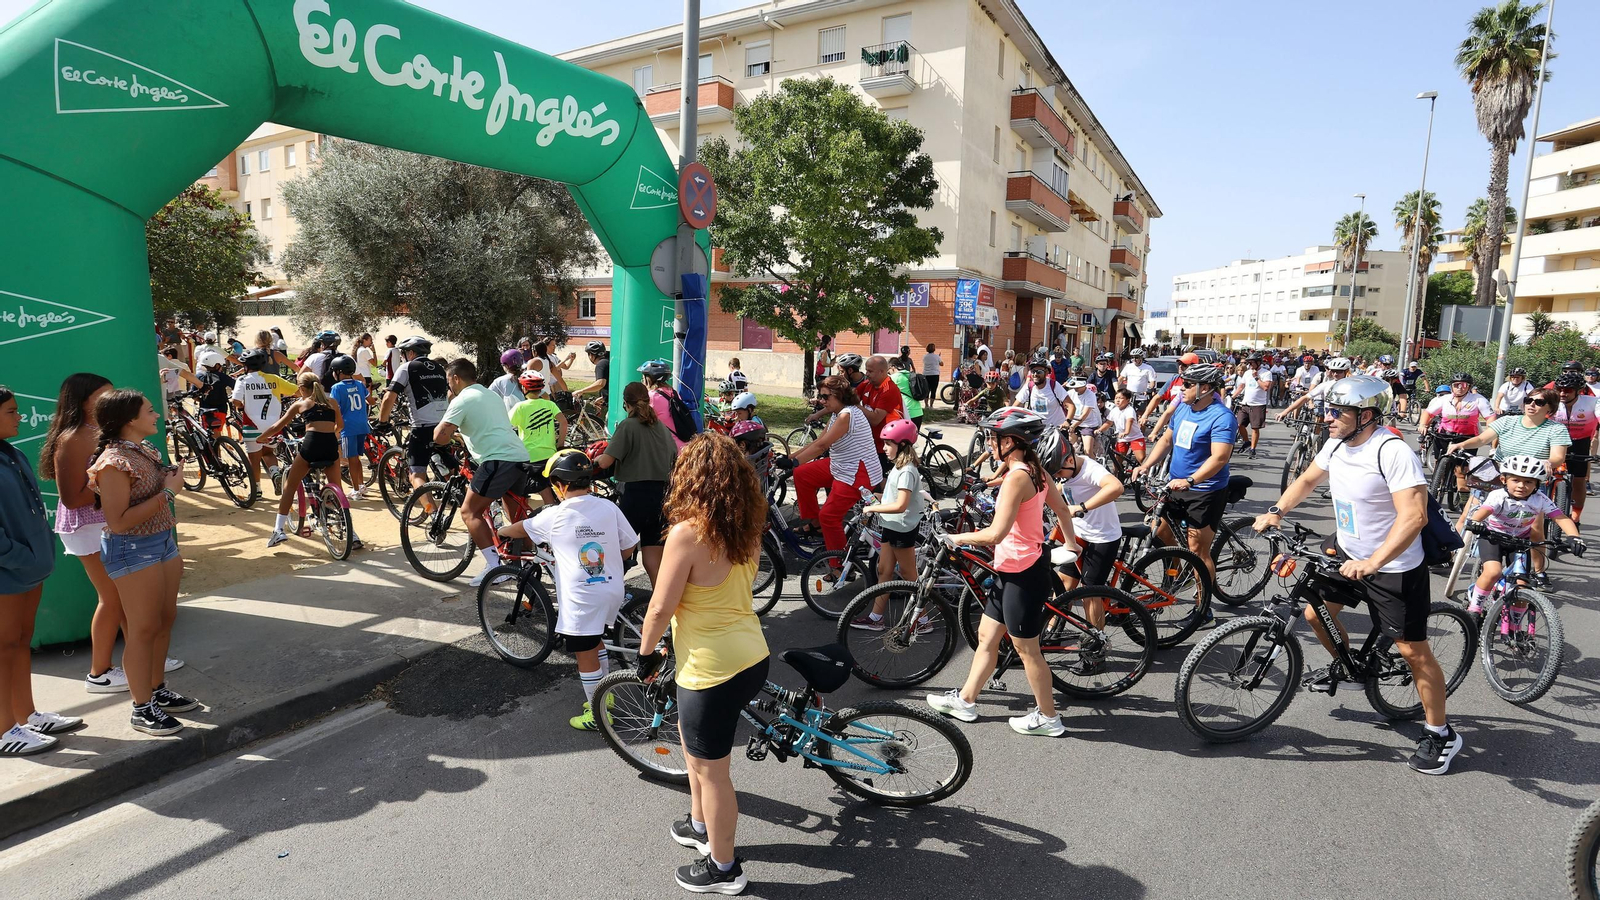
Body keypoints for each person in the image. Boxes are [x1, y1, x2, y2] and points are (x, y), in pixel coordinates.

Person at [1255, 375, 1461, 774]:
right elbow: (1308, 479)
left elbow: (1415, 517)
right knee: (1316, 612)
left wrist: (1375, 562)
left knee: (1413, 651)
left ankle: (1441, 733)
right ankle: (1348, 668)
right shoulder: (1336, 443)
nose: (1327, 417)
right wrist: (1277, 511)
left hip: (1394, 566)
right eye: (1327, 409)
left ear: (1365, 415)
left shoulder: (1392, 451)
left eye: (1336, 412)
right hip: (1349, 550)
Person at [634, 434, 770, 895]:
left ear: (689, 478)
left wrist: (645, 652)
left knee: (714, 772)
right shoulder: (748, 523)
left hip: (710, 670)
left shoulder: (687, 533)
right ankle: (698, 824)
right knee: (694, 748)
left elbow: (659, 608)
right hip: (751, 654)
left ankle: (724, 868)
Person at [926, 408, 1075, 737]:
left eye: (994, 438)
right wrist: (1072, 545)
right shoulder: (1033, 470)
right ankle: (966, 700)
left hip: (1023, 575)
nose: (990, 443)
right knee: (987, 637)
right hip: (1010, 569)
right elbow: (1062, 510)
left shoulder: (1020, 476)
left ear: (1012, 442)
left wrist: (957, 537)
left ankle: (1049, 718)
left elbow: (995, 533)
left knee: (1027, 650)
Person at [498, 450, 637, 730]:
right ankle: (605, 695)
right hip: (612, 590)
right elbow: (629, 545)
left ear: (560, 485)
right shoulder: (608, 507)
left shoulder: (555, 515)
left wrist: (500, 532)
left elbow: (521, 528)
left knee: (584, 655)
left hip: (581, 598)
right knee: (595, 641)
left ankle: (598, 715)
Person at [86, 390, 198, 737]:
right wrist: (168, 492)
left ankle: (156, 687)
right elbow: (118, 521)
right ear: (129, 420)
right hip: (133, 548)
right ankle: (141, 706)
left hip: (161, 541)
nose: (157, 416)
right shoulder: (113, 462)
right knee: (143, 628)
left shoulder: (142, 449)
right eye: (150, 411)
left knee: (165, 619)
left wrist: (169, 480)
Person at [41, 374, 148, 696]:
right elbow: (72, 498)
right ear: (83, 400)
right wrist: (117, 486)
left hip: (110, 523)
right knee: (112, 598)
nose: (110, 399)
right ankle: (99, 672)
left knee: (127, 597)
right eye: (103, 395)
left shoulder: (103, 432)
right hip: (86, 528)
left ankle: (139, 658)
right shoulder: (72, 438)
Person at [0, 386, 83, 755]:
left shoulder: (13, 453)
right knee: (3, 647)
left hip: (29, 569)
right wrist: (23, 557)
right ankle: (4, 730)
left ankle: (26, 715)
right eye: (11, 412)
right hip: (8, 572)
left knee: (20, 642)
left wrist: (36, 556)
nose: (19, 417)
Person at [1132, 362, 1236, 587]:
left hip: (1204, 489)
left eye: (1188, 385)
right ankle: (1175, 575)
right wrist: (1146, 465)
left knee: (1198, 550)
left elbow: (1219, 457)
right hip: (1174, 485)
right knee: (1158, 531)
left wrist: (1191, 480)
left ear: (1205, 388)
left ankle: (1203, 606)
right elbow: (1167, 440)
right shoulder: (1182, 409)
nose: (1182, 389)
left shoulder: (1222, 417)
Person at [434, 358, 534, 587]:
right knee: (515, 511)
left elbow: (439, 436)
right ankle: (527, 559)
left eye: (449, 381)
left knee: (470, 511)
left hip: (497, 459)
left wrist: (450, 411)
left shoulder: (462, 398)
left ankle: (495, 567)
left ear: (456, 379)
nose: (449, 385)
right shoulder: (490, 394)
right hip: (519, 455)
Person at [1463, 455, 1584, 614]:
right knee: (1493, 572)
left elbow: (1560, 517)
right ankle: (1475, 608)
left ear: (1537, 484)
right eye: (1516, 480)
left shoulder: (1540, 499)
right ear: (1504, 479)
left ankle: (1515, 628)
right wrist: (1476, 521)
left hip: (1520, 542)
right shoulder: (1498, 496)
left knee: (1522, 584)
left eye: (1528, 482)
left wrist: (1574, 537)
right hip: (1493, 537)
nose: (1522, 485)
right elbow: (1484, 511)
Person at [1038, 429, 1122, 641]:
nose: (1057, 476)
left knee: (1089, 594)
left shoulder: (1091, 469)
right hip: (1078, 536)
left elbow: (1116, 487)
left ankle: (1097, 646)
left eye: (1058, 472)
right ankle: (1050, 633)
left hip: (1102, 537)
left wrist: (1082, 507)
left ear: (1069, 459)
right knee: (1064, 585)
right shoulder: (1066, 472)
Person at [782, 375, 882, 553]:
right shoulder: (838, 413)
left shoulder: (847, 415)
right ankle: (815, 525)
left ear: (840, 395)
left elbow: (822, 446)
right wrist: (790, 458)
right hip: (842, 464)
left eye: (825, 397)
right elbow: (818, 441)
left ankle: (840, 567)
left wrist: (795, 461)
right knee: (802, 474)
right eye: (820, 396)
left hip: (858, 472)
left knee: (829, 516)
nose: (821, 401)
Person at [595, 382, 677, 585]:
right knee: (652, 557)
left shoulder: (628, 426)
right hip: (662, 496)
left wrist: (588, 462)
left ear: (626, 404)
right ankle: (664, 604)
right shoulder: (662, 428)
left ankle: (607, 595)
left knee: (618, 552)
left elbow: (605, 461)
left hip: (635, 496)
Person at [850, 419, 926, 632]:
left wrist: (873, 509)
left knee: (909, 574)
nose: (883, 448)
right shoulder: (899, 467)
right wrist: (877, 497)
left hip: (901, 527)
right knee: (884, 570)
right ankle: (876, 618)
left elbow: (901, 505)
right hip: (891, 525)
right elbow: (895, 497)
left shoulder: (907, 471)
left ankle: (923, 620)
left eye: (888, 444)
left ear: (902, 445)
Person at [259, 373, 351, 549]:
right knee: (337, 488)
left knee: (290, 487)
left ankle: (278, 530)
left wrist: (261, 438)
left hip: (311, 444)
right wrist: (329, 434)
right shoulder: (332, 403)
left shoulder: (300, 404)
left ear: (302, 388)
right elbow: (340, 426)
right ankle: (349, 532)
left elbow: (277, 426)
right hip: (330, 445)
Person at [379, 337, 453, 498]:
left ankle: (431, 512)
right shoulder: (440, 368)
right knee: (450, 467)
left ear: (411, 353)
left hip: (422, 427)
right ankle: (456, 493)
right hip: (444, 425)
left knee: (416, 475)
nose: (403, 356)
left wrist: (382, 422)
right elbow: (451, 394)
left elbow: (389, 397)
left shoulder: (407, 368)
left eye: (404, 353)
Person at [231, 348, 295, 492]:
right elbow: (296, 391)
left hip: (252, 426)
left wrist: (241, 405)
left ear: (245, 366)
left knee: (254, 459)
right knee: (268, 453)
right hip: (274, 426)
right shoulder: (274, 379)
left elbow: (235, 400)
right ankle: (275, 473)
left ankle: (257, 490)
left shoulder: (242, 379)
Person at [508, 371, 566, 507]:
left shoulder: (520, 407)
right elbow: (564, 423)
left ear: (524, 388)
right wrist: (560, 444)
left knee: (527, 486)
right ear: (541, 389)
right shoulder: (550, 404)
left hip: (529, 456)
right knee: (549, 484)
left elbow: (507, 426)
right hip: (550, 454)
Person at [1419, 373, 1493, 473]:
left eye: (1463, 385)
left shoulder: (1478, 399)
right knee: (1439, 463)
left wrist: (1489, 430)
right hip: (1444, 435)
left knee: (1462, 470)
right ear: (1451, 387)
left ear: (1469, 387)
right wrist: (1423, 425)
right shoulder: (1445, 399)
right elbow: (1428, 413)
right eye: (1456, 385)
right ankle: (1437, 485)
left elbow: (1490, 417)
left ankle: (1461, 488)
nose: (1460, 388)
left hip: (1467, 438)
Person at [1550, 372, 1597, 527]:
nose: (1562, 393)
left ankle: (1575, 516)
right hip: (1555, 441)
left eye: (1568, 390)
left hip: (1580, 442)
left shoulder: (1592, 403)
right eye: (1560, 389)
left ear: (1578, 391)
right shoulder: (1552, 401)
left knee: (1579, 481)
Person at [329, 355, 373, 505]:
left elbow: (334, 406)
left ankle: (355, 490)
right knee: (357, 458)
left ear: (339, 372)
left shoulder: (337, 388)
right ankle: (361, 485)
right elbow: (370, 400)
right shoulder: (360, 384)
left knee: (351, 459)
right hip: (362, 424)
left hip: (348, 426)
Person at [637, 359, 694, 449]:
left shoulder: (652, 397)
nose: (642, 381)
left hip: (668, 449)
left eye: (643, 378)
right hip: (683, 447)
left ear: (648, 379)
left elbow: (642, 422)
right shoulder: (673, 393)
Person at [1233, 355, 1273, 459]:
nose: (1250, 365)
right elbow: (1241, 386)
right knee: (1239, 424)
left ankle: (1252, 449)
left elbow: (1265, 387)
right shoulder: (1247, 373)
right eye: (1249, 363)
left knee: (1255, 428)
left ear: (1258, 363)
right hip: (1245, 403)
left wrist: (1256, 377)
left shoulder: (1266, 373)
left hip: (1258, 404)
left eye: (1252, 363)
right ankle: (1246, 442)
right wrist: (1233, 396)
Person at [1014, 359, 1071, 429]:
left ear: (1046, 372)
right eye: (1033, 371)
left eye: (1039, 372)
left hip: (1057, 429)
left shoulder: (1054, 385)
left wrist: (1067, 421)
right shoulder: (1029, 387)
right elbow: (1015, 407)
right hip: (1038, 430)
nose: (1035, 374)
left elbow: (1071, 405)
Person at [193, 350, 235, 435]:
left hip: (205, 409)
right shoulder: (222, 376)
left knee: (209, 434)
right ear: (216, 365)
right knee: (217, 433)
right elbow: (235, 385)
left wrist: (202, 401)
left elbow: (194, 395)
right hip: (221, 409)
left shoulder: (199, 376)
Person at [1100, 388, 1146, 462]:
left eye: (1121, 398)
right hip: (1122, 438)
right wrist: (1099, 430)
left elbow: (1129, 421)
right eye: (1116, 398)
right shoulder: (1114, 410)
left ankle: (1144, 472)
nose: (1118, 400)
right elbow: (1109, 422)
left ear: (1128, 400)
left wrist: (1126, 432)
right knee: (1117, 462)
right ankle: (1117, 473)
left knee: (1141, 459)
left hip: (1135, 437)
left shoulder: (1130, 410)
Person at [1062, 377, 1101, 458]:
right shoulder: (1071, 393)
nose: (1075, 389)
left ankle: (1093, 467)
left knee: (1088, 451)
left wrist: (1073, 425)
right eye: (1074, 387)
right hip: (1073, 423)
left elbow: (1084, 415)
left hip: (1088, 424)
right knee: (1067, 447)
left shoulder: (1090, 395)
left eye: (1077, 387)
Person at [889, 355, 924, 428]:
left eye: (889, 371)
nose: (889, 373)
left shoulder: (895, 377)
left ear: (892, 367)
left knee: (903, 438)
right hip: (918, 412)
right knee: (913, 437)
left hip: (908, 412)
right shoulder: (909, 375)